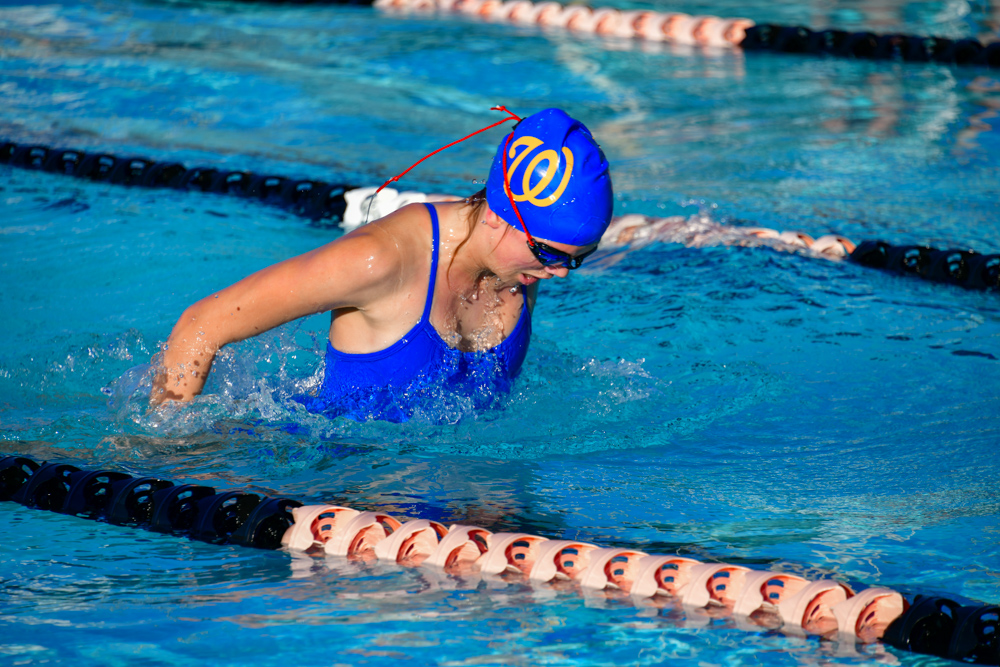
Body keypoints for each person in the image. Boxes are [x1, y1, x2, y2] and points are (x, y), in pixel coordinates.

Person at [152, 108, 614, 421]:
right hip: (337, 487)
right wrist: (172, 452)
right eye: (550, 254)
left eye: (578, 260)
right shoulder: (383, 259)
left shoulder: (521, 265)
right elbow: (202, 324)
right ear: (499, 212)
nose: (559, 272)